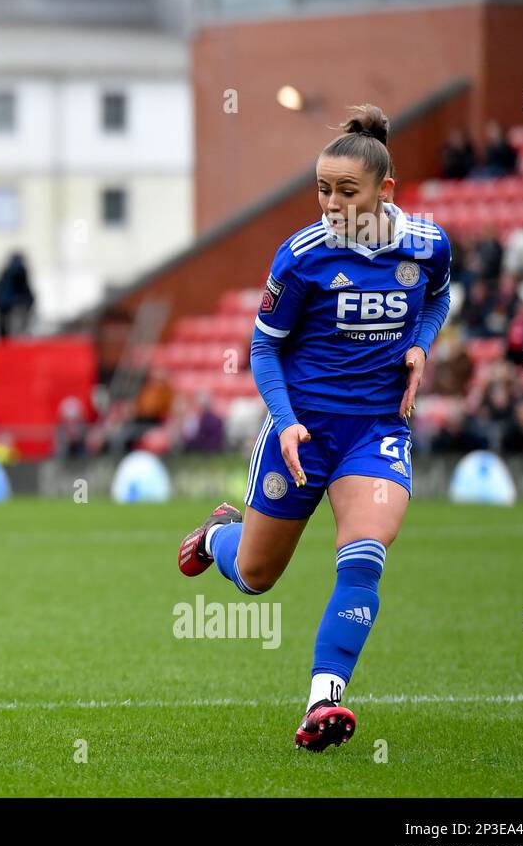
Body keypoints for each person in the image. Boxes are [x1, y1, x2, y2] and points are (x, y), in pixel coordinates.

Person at [176, 104, 452, 752]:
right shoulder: (302, 257)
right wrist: (289, 422)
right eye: (322, 189)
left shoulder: (427, 243)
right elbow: (264, 348)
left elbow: (437, 296)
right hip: (301, 433)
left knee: (362, 561)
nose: (331, 204)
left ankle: (322, 702)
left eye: (346, 192)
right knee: (255, 576)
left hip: (377, 432)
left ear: (387, 190)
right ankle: (219, 536)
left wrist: (420, 345)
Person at [0, 250, 34, 339]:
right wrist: (28, 299)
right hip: (14, 303)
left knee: (4, 328)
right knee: (16, 327)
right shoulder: (19, 270)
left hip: (3, 303)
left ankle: (5, 344)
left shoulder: (5, 271)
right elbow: (23, 287)